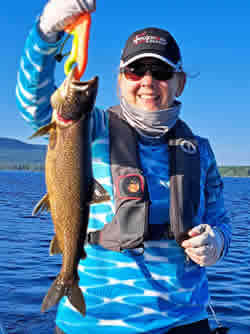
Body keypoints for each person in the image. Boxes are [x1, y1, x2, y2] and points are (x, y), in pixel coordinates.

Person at [16, 0, 232, 333]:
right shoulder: (88, 126)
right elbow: (33, 105)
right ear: (121, 78)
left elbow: (220, 220)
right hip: (91, 324)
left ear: (180, 83)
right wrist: (45, 33)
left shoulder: (199, 150)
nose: (147, 81)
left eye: (160, 72)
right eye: (136, 70)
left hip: (184, 322)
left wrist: (216, 242)